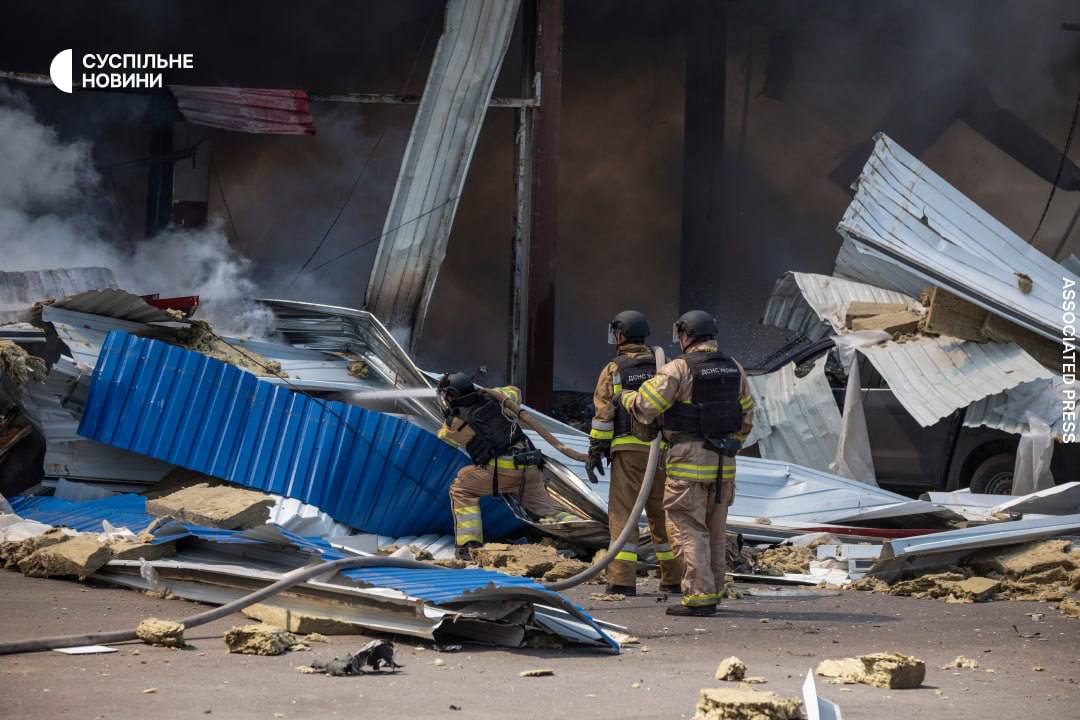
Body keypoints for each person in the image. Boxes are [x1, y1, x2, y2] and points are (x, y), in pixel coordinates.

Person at [618, 310, 754, 616]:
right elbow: (747, 416)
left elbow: (647, 405)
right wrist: (729, 444)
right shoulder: (734, 368)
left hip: (687, 462)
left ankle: (700, 595)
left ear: (685, 335)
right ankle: (714, 588)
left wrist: (624, 398)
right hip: (724, 465)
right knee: (715, 530)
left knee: (688, 529)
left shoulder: (678, 368)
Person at [588, 310, 682, 596]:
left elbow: (604, 414)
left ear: (619, 335)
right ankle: (674, 578)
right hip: (662, 452)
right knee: (663, 515)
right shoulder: (664, 367)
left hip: (628, 451)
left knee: (624, 515)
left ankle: (621, 580)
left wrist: (596, 449)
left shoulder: (614, 369)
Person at [436, 372, 574, 560]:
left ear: (451, 395)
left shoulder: (456, 422)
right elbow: (515, 391)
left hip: (500, 473)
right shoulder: (499, 397)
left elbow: (445, 437)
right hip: (530, 467)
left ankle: (469, 544)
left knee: (461, 488)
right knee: (548, 512)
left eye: (446, 396)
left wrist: (448, 415)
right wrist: (488, 392)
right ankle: (581, 531)